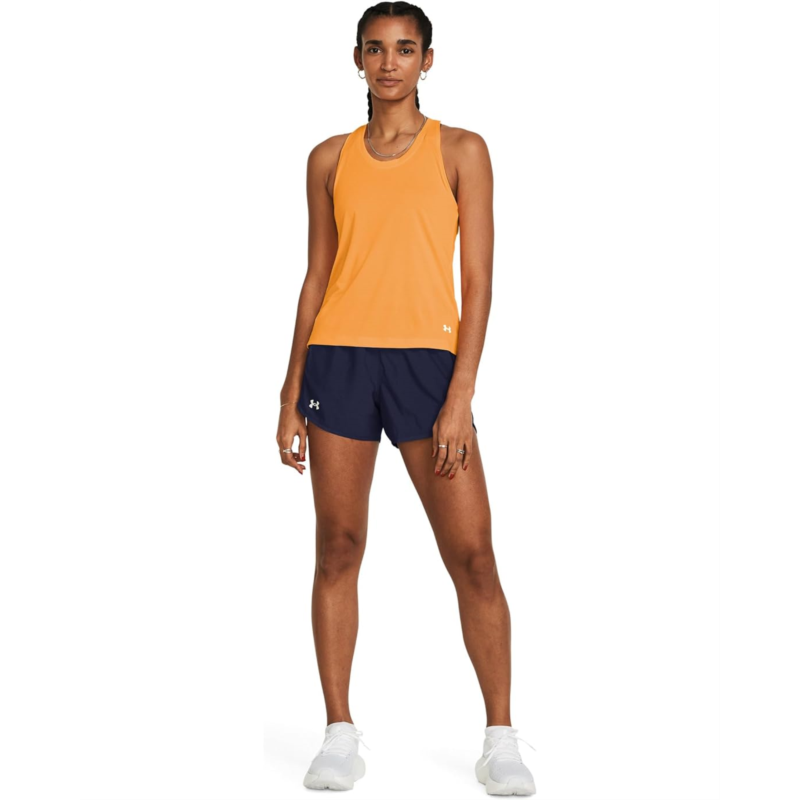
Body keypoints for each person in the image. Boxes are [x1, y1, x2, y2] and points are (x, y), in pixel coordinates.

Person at [277, 3, 536, 795]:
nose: (390, 62)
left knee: (473, 555)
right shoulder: (328, 158)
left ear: (428, 60)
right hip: (339, 363)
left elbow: (479, 281)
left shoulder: (462, 150)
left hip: (428, 368)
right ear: (357, 59)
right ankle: (338, 732)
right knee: (338, 547)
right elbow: (318, 275)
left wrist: (460, 394)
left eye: (405, 48)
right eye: (376, 48)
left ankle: (500, 738)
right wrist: (290, 389)